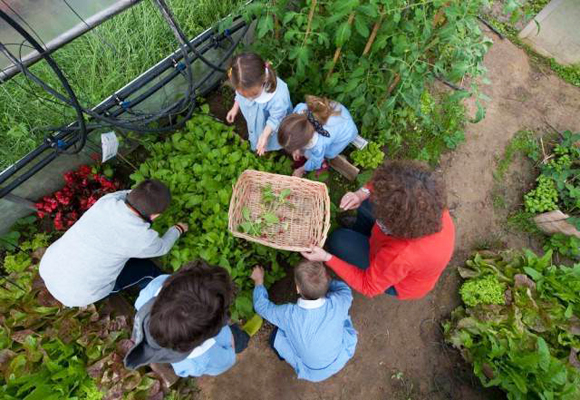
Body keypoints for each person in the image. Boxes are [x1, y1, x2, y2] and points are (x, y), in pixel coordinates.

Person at [301, 160, 455, 299]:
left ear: (393, 225)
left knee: (338, 240)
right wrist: (361, 194)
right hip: (390, 240)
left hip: (397, 279)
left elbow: (368, 286)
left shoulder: (401, 255)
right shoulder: (425, 201)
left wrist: (327, 258)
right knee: (367, 204)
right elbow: (389, 183)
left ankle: (357, 239)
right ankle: (361, 232)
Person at [39, 179, 188, 307]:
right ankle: (164, 293)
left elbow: (125, 194)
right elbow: (162, 247)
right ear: (155, 216)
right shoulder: (142, 238)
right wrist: (178, 229)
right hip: (78, 294)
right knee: (148, 271)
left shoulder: (107, 201)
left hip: (49, 266)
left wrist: (144, 198)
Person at [124, 261, 249, 377]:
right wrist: (231, 341)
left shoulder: (151, 292)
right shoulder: (203, 360)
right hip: (225, 341)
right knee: (240, 339)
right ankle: (244, 337)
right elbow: (228, 359)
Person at [251, 261, 357, 382]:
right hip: (340, 356)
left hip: (314, 372)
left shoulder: (289, 315)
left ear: (297, 288)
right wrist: (325, 284)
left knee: (275, 337)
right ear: (326, 281)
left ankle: (283, 353)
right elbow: (344, 289)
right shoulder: (338, 302)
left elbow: (262, 307)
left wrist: (258, 281)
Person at [226, 52, 293, 155]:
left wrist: (265, 135)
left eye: (254, 95)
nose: (249, 99)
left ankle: (269, 150)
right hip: (257, 122)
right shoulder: (244, 83)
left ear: (264, 79)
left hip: (270, 128)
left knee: (268, 141)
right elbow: (239, 94)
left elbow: (275, 119)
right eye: (244, 95)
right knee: (258, 134)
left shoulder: (279, 97)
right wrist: (235, 107)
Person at [278, 96, 358, 177]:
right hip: (338, 111)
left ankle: (323, 163)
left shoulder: (319, 144)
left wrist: (301, 169)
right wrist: (296, 149)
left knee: (329, 153)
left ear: (306, 141)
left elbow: (315, 161)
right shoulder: (300, 111)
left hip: (346, 132)